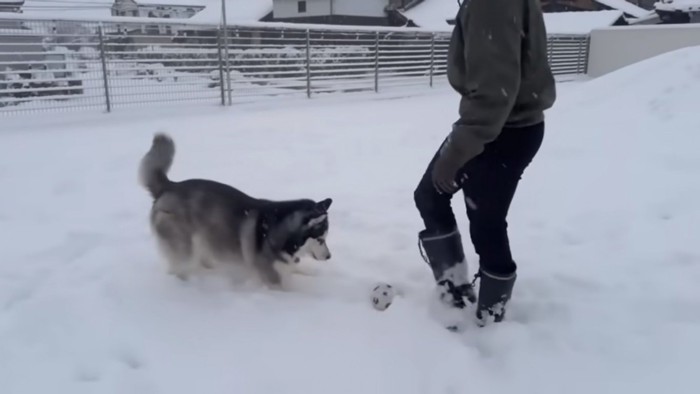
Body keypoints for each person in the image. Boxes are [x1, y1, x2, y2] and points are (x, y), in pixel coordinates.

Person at [413, 0, 556, 326]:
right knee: (477, 216)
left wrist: (457, 152)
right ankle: (458, 289)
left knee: (477, 217)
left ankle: (488, 314)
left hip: (503, 129)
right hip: (512, 125)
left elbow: (494, 90)